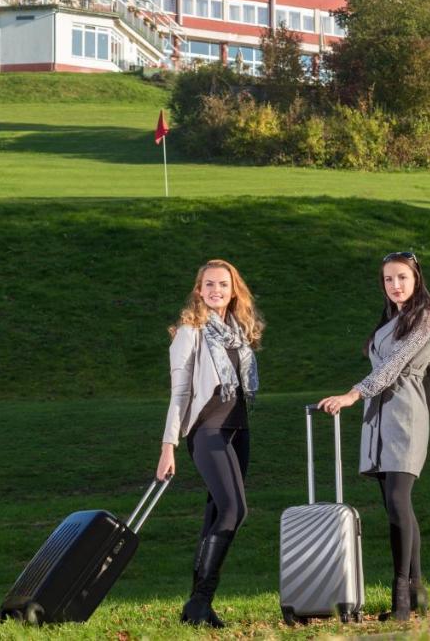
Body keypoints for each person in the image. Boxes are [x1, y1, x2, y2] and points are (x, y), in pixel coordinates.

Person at [318, 251, 430, 622]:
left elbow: (393, 366)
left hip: (405, 415)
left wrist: (353, 394)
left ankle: (401, 598)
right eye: (388, 279)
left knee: (399, 501)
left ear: (416, 278)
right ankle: (417, 593)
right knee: (395, 505)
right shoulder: (394, 318)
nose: (395, 285)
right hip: (380, 418)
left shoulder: (424, 319)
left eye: (402, 277)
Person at [156, 259, 264, 628]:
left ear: (234, 290)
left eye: (223, 284)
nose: (216, 290)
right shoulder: (190, 331)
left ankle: (198, 606)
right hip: (207, 431)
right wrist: (168, 445)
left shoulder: (240, 331)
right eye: (209, 285)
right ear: (198, 291)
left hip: (239, 430)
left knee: (216, 515)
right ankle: (199, 600)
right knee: (235, 510)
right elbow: (180, 392)